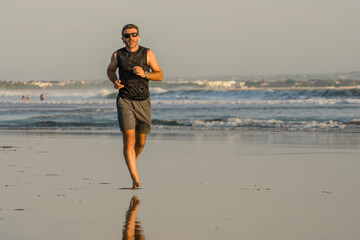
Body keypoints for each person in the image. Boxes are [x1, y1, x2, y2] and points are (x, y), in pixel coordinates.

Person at [107, 24, 163, 190]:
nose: (130, 38)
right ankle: (134, 176)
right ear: (122, 38)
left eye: (133, 35)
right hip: (125, 100)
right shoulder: (118, 55)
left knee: (141, 141)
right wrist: (115, 82)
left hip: (143, 101)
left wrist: (145, 74)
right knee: (129, 139)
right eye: (127, 35)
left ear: (139, 36)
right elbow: (110, 71)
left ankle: (131, 161)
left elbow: (159, 75)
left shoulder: (148, 53)